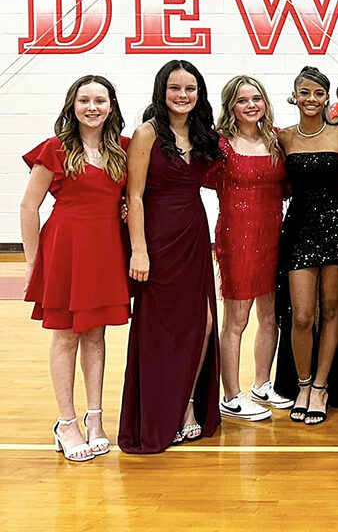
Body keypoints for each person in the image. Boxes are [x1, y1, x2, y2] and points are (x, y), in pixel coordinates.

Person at [21, 75, 131, 462]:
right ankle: (66, 422)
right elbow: (27, 207)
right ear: (72, 106)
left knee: (96, 336)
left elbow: (134, 197)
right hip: (66, 250)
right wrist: (33, 263)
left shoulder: (123, 149)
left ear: (111, 106)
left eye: (100, 100)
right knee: (66, 335)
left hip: (104, 252)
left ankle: (95, 419)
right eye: (84, 100)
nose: (92, 107)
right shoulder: (55, 149)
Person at [119, 60, 223, 453]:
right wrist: (139, 250)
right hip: (158, 239)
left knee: (205, 322)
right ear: (162, 91)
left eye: (190, 89)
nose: (183, 95)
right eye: (175, 88)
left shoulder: (203, 133)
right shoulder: (146, 134)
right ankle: (168, 413)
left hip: (193, 234)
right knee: (161, 331)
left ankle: (189, 404)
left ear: (199, 94)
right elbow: (135, 195)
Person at [271, 66, 338, 426]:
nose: (311, 99)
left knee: (331, 310)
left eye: (318, 93)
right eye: (305, 92)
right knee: (302, 315)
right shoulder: (285, 138)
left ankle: (321, 388)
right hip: (299, 230)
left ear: (328, 98)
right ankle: (303, 383)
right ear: (295, 95)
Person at [207, 75, 291, 422]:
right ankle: (231, 395)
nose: (251, 105)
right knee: (236, 320)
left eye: (256, 98)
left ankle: (262, 383)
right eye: (242, 100)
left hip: (273, 236)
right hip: (236, 238)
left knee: (270, 316)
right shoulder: (220, 145)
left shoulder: (276, 139)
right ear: (231, 106)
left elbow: (288, 187)